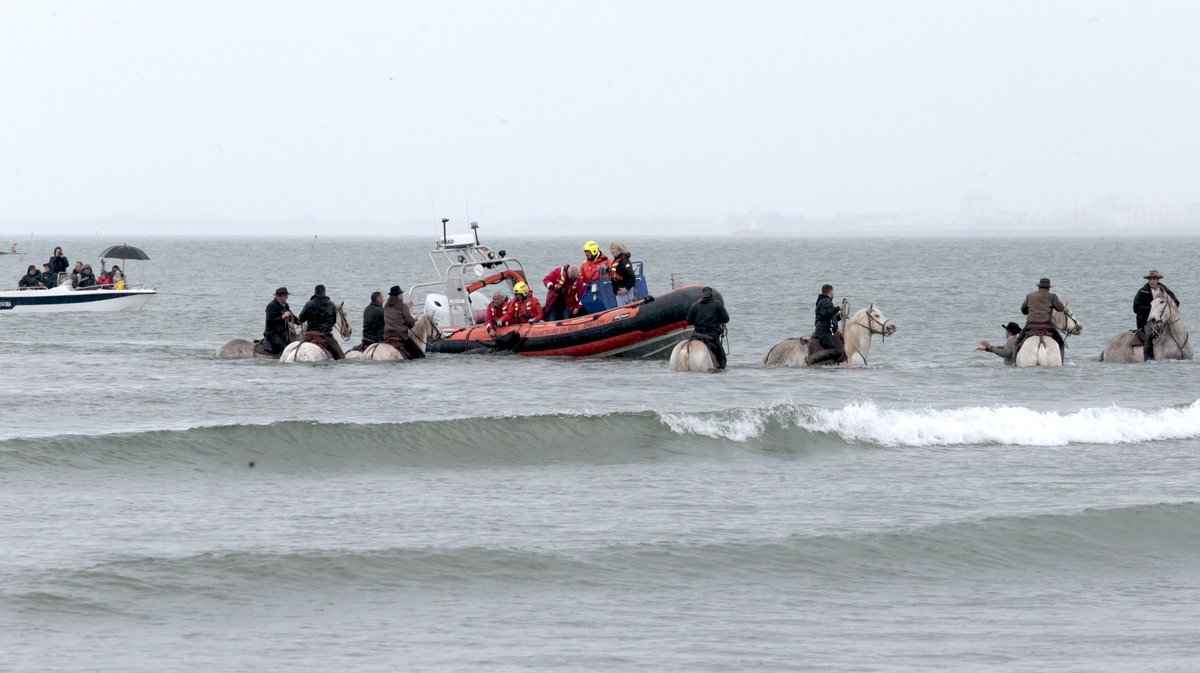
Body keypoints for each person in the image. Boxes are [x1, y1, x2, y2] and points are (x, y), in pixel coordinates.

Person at [1133, 270, 1180, 361]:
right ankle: (1149, 359)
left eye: (1154, 279)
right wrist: (1152, 308)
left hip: (1164, 321)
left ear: (1158, 280)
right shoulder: (1142, 292)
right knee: (1149, 336)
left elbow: (1176, 303)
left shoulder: (1165, 291)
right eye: (1150, 279)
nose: (1152, 281)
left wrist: (1164, 309)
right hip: (1147, 321)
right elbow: (1136, 308)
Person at [685, 286, 730, 369]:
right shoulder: (717, 305)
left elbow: (689, 321)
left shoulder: (695, 305)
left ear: (701, 295)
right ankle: (721, 367)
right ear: (711, 295)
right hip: (711, 336)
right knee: (722, 358)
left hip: (696, 335)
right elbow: (726, 319)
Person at [297, 284, 345, 360]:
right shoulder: (331, 304)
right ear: (324, 292)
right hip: (325, 336)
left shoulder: (309, 304)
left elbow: (300, 319)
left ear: (315, 292)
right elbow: (333, 321)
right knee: (341, 356)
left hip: (309, 335)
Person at [1020, 277, 1066, 352]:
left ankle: (1014, 359)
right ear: (1049, 288)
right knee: (1061, 343)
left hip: (1031, 325)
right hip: (1047, 326)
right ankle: (1061, 359)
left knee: (1017, 343)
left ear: (1039, 287)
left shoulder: (1029, 296)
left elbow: (1023, 310)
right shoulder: (1052, 297)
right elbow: (1060, 308)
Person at [807, 284, 847, 365]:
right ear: (830, 292)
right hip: (824, 331)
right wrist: (838, 308)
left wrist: (840, 316)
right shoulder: (826, 301)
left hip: (823, 329)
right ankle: (811, 359)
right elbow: (826, 313)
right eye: (833, 292)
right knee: (837, 350)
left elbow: (828, 317)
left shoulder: (824, 301)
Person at [383, 285, 425, 359]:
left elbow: (394, 316)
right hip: (401, 336)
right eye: (401, 294)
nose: (402, 295)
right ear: (399, 295)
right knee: (420, 356)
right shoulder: (403, 306)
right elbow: (410, 322)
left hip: (387, 336)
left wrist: (406, 307)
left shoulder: (386, 305)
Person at [262, 287, 294, 355]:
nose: (287, 297)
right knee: (285, 348)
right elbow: (269, 321)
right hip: (272, 333)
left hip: (283, 332)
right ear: (280, 296)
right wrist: (282, 316)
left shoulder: (285, 305)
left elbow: (292, 316)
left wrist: (299, 321)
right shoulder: (271, 306)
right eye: (286, 296)